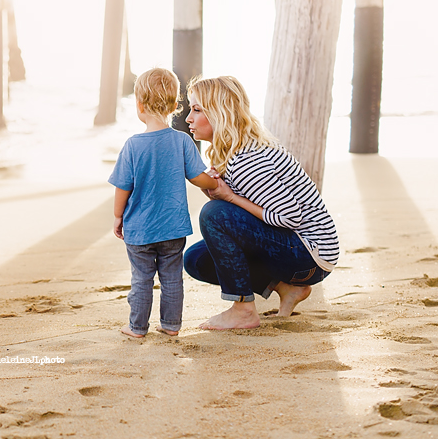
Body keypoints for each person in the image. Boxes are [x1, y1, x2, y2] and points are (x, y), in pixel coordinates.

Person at [182, 76, 339, 330]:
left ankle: (243, 310)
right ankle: (286, 288)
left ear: (220, 113)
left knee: (213, 214)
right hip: (297, 250)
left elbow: (290, 218)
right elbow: (240, 215)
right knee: (196, 259)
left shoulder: (247, 159)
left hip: (311, 255)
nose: (189, 118)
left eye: (197, 109)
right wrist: (218, 193)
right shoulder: (233, 151)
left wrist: (229, 198)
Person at [109, 68, 219, 338]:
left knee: (142, 279)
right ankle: (171, 325)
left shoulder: (133, 145)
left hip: (140, 229)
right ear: (174, 106)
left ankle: (137, 327)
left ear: (139, 105)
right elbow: (197, 178)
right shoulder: (181, 140)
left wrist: (117, 216)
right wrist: (214, 181)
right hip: (173, 228)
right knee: (171, 279)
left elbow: (123, 186)